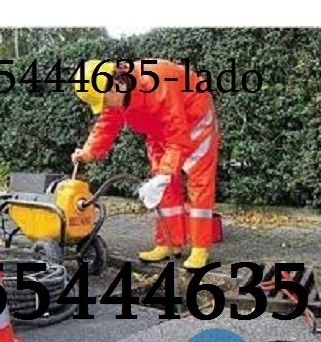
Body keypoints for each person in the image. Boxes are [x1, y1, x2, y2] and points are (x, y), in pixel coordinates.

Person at [71, 58, 221, 269]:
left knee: (199, 182)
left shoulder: (157, 83)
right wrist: (89, 152)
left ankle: (200, 248)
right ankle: (170, 243)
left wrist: (166, 173)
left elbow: (177, 136)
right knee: (162, 185)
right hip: (159, 129)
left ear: (115, 85)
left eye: (103, 100)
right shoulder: (117, 89)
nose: (104, 106)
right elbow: (108, 123)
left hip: (195, 119)